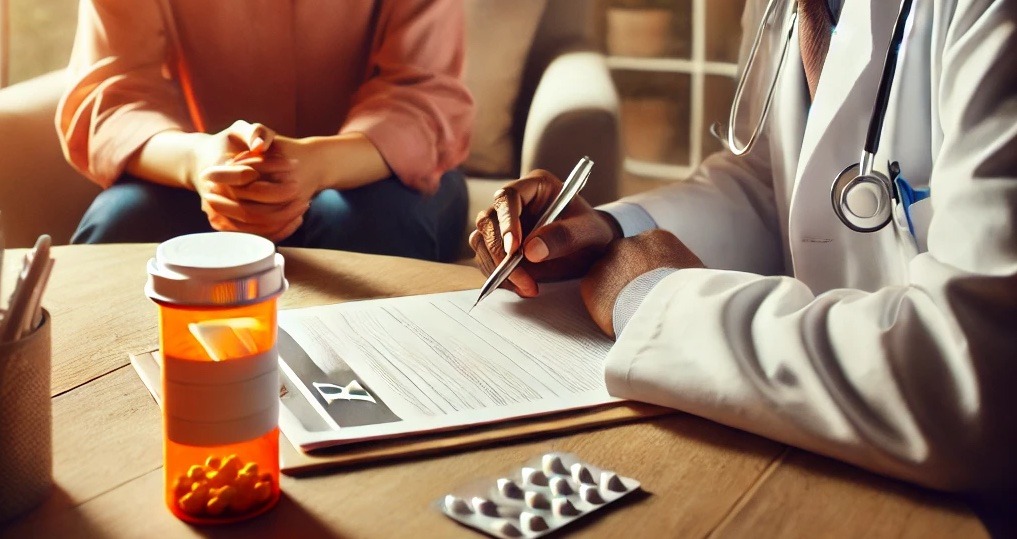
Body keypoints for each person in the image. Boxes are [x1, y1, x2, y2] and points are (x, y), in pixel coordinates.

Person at [471, 0, 1016, 531]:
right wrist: (611, 233)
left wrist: (655, 298)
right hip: (835, 453)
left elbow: (970, 381)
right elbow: (769, 183)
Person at [57, 0, 473, 262]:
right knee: (123, 225)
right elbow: (115, 96)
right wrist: (197, 162)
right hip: (213, 175)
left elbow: (423, 97)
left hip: (380, 169)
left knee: (370, 228)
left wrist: (321, 163)